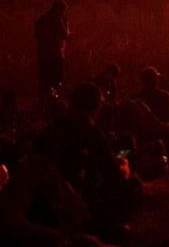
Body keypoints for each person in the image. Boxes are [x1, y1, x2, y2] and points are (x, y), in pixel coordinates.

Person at [35, 83, 142, 238]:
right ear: (96, 107)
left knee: (126, 141)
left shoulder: (50, 130)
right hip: (80, 198)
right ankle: (112, 222)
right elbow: (113, 174)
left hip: (44, 202)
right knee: (133, 183)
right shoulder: (91, 133)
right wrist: (125, 168)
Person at [35, 0, 69, 103]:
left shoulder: (41, 20)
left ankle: (42, 101)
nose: (64, 13)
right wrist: (66, 24)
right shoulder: (57, 19)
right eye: (64, 11)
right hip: (55, 54)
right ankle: (53, 102)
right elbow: (65, 35)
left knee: (44, 80)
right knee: (55, 79)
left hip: (43, 55)